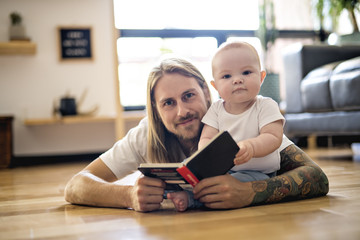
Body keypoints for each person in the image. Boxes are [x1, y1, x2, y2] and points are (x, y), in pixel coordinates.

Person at [64, 56, 329, 212]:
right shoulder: (146, 133)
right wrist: (127, 196)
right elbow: (76, 185)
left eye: (189, 96)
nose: (182, 111)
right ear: (156, 110)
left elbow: (317, 177)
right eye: (168, 103)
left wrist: (251, 192)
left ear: (206, 91)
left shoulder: (238, 118)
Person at [167, 42, 284, 211]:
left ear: (261, 76)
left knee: (230, 185)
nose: (237, 80)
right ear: (215, 86)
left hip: (257, 174)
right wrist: (206, 156)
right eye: (227, 76)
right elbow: (206, 137)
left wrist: (251, 146)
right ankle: (173, 187)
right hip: (223, 170)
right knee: (187, 166)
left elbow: (273, 137)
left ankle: (190, 198)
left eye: (246, 72)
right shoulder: (216, 110)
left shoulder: (265, 106)